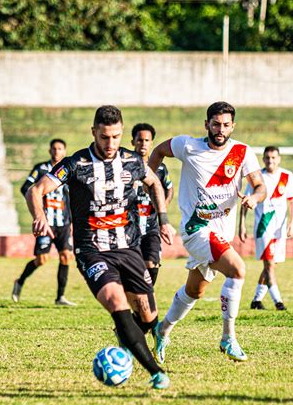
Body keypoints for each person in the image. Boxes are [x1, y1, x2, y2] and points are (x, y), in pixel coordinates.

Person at [25, 105, 175, 389]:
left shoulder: (132, 162)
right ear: (93, 132)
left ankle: (126, 340)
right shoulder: (75, 164)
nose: (110, 144)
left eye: (116, 137)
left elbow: (155, 184)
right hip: (91, 249)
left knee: (147, 313)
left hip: (129, 248)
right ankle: (156, 372)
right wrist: (40, 217)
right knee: (116, 302)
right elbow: (36, 189)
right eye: (105, 137)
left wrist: (163, 219)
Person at [148, 101, 266, 363]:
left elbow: (259, 186)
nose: (220, 129)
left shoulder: (242, 153)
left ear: (233, 126)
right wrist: (149, 181)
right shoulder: (188, 145)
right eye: (215, 124)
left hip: (221, 234)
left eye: (225, 125)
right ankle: (228, 338)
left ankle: (162, 330)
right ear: (207, 124)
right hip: (197, 230)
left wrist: (254, 199)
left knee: (195, 290)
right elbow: (157, 151)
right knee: (237, 270)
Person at [12, 139, 76, 306]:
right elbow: (25, 187)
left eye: (60, 149)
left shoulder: (68, 169)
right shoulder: (41, 169)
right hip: (46, 222)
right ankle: (19, 281)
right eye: (54, 149)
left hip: (63, 222)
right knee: (42, 259)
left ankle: (60, 297)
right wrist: (38, 209)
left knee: (66, 256)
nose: (56, 152)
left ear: (64, 151)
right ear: (50, 151)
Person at [239, 146, 293, 311]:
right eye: (267, 158)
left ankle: (256, 301)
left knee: (271, 265)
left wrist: (291, 223)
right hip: (263, 227)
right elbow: (245, 202)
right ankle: (278, 302)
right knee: (269, 266)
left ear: (278, 159)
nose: (270, 161)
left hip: (280, 228)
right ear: (263, 159)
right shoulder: (258, 178)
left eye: (273, 157)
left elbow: (292, 201)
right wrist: (242, 225)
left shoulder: (287, 176)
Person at [131, 123, 174, 285]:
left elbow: (169, 189)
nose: (143, 144)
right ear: (133, 142)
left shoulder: (161, 168)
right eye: (139, 140)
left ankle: (145, 295)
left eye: (146, 140)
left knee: (152, 263)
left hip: (151, 225)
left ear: (151, 142)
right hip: (129, 226)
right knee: (131, 266)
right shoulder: (125, 165)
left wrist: (163, 205)